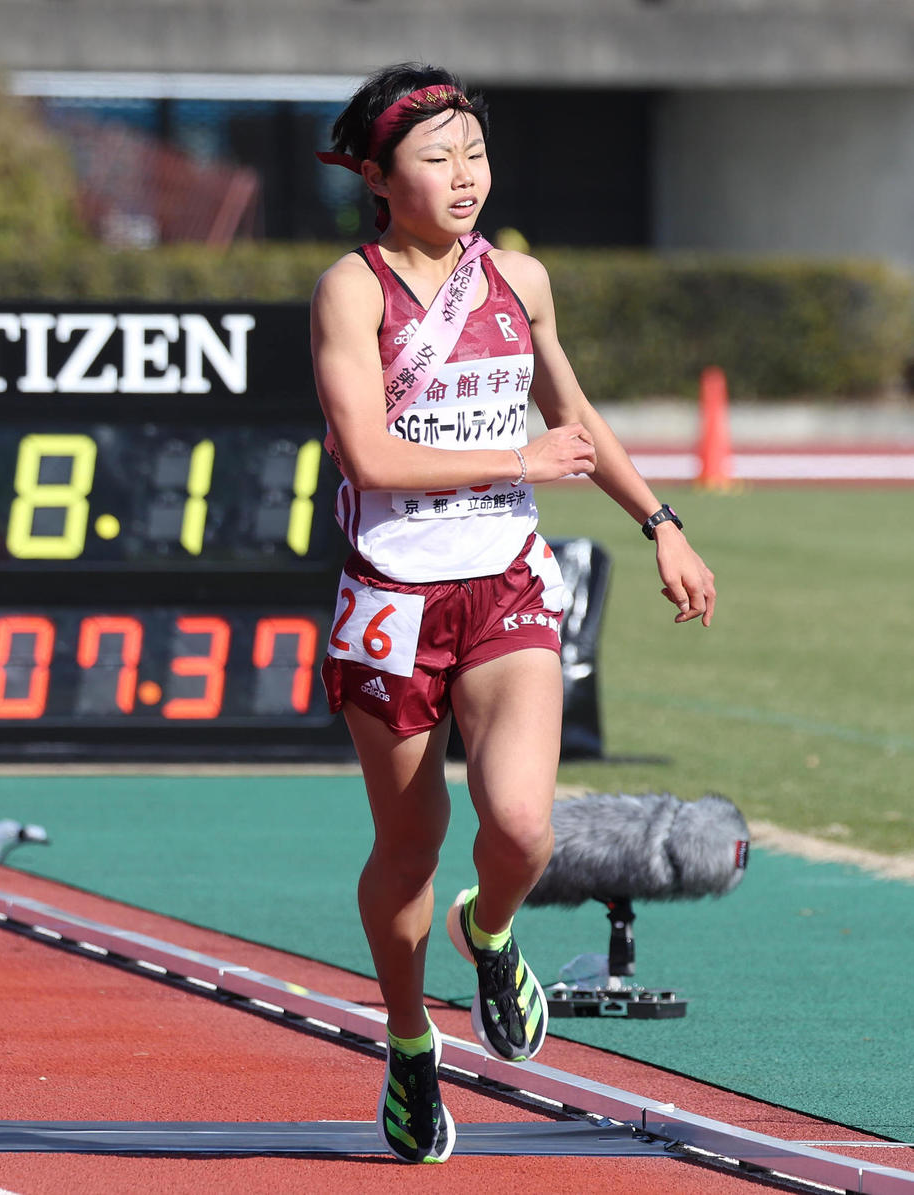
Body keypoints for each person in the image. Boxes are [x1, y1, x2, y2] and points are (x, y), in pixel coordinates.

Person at [310, 63, 716, 1165]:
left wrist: (661, 522)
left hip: (506, 584)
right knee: (410, 846)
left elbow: (573, 418)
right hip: (392, 596)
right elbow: (369, 456)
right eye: (437, 158)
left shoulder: (520, 281)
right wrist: (520, 456)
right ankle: (407, 1043)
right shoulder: (352, 290)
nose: (463, 176)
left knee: (523, 828)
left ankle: (489, 933)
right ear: (381, 177)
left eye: (475, 153)